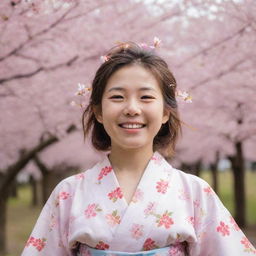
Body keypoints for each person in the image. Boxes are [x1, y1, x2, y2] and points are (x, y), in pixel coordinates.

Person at [21, 42, 256, 256]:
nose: (132, 109)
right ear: (98, 111)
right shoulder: (69, 193)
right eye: (117, 97)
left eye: (145, 97)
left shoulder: (194, 192)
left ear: (166, 111)